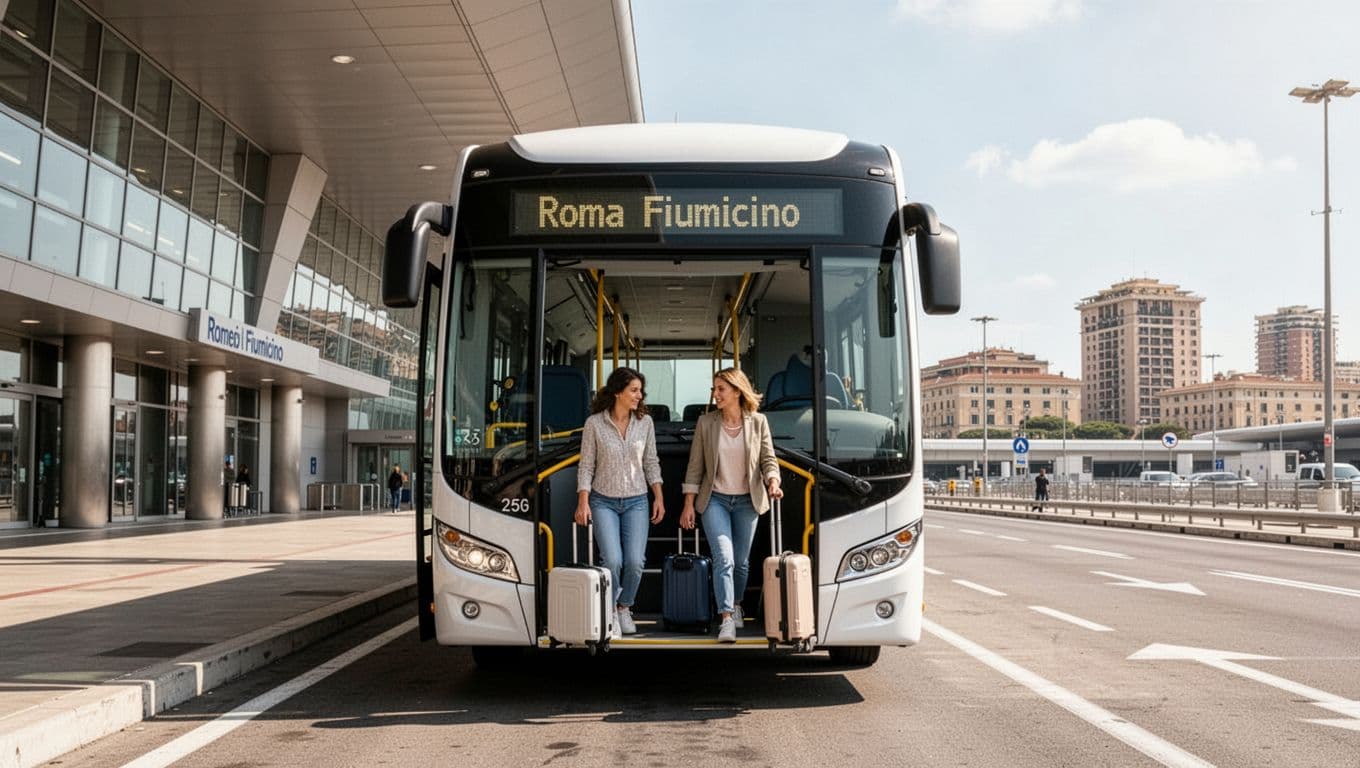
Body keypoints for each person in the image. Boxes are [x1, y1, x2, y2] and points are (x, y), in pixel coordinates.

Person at [680, 367, 783, 643]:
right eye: (714, 389)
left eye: (721, 389)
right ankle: (726, 618)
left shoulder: (758, 422)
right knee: (723, 558)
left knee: (740, 562)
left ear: (737, 391)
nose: (715, 395)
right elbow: (695, 467)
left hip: (748, 501)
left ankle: (736, 603)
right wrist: (688, 504)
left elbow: (768, 459)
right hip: (715, 499)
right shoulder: (706, 423)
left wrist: (773, 481)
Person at [576, 367, 665, 638]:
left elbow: (651, 462)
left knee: (635, 561)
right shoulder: (594, 424)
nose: (639, 395)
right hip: (603, 501)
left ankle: (624, 606)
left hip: (637, 500)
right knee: (612, 560)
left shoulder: (645, 423)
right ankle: (611, 611)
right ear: (618, 392)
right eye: (634, 390)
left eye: (640, 390)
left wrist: (658, 496)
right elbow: (586, 466)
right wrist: (583, 501)